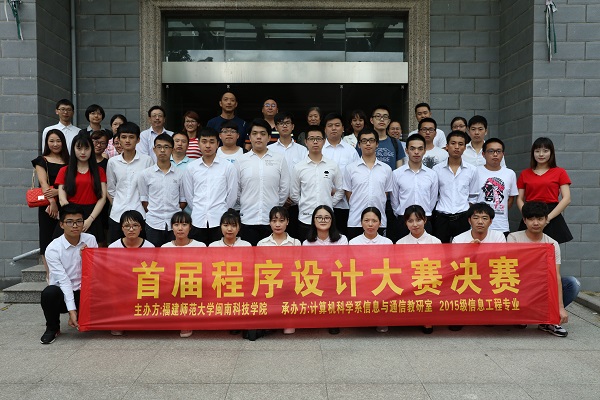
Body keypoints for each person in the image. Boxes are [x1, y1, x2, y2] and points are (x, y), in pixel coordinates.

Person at [507, 202, 580, 337]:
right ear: (524, 220)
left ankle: (547, 320)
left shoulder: (552, 243)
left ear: (546, 220)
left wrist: (560, 307)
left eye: (540, 219)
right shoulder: (514, 238)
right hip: (521, 285)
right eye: (531, 219)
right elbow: (513, 269)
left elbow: (555, 275)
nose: (536, 223)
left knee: (572, 284)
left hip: (542, 286)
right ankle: (522, 315)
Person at [40, 204, 98, 344]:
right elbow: (64, 281)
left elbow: (96, 271)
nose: (75, 226)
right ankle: (52, 328)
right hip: (63, 294)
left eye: (79, 221)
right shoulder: (53, 248)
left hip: (85, 292)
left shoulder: (90, 240)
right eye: (70, 222)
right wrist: (72, 310)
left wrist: (86, 258)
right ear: (61, 224)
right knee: (49, 293)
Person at [236, 118, 289, 245]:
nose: (258, 137)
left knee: (270, 256)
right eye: (254, 133)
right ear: (249, 137)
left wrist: (275, 206)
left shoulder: (279, 159)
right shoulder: (241, 161)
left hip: (271, 221)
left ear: (269, 137)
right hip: (247, 219)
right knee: (249, 256)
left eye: (263, 133)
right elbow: (236, 190)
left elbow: (284, 188)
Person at [183, 127, 238, 245]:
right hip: (198, 220)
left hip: (220, 220)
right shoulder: (191, 167)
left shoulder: (227, 167)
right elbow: (189, 195)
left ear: (218, 144)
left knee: (218, 254)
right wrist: (198, 208)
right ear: (198, 143)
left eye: (212, 142)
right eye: (204, 141)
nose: (208, 145)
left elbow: (232, 195)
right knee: (198, 254)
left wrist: (223, 210)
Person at [290, 125, 344, 241]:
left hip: (327, 219)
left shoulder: (332, 165)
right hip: (305, 218)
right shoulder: (299, 167)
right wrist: (303, 204)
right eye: (311, 139)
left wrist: (330, 204)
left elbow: (340, 189)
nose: (315, 142)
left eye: (318, 139)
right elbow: (294, 193)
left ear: (324, 141)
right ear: (306, 142)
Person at [516, 137, 572, 243]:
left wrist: (547, 218)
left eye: (545, 151)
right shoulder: (525, 173)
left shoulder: (560, 172)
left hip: (551, 214)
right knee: (527, 249)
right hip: (530, 213)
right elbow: (519, 198)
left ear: (551, 153)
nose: (541, 154)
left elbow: (567, 198)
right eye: (537, 151)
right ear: (533, 153)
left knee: (550, 249)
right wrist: (527, 216)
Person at [55, 132, 107, 244]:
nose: (83, 152)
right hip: (70, 214)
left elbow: (102, 198)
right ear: (73, 149)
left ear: (91, 150)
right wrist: (74, 219)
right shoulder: (64, 171)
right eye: (79, 148)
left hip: (93, 215)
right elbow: (62, 199)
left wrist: (90, 219)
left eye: (86, 148)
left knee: (94, 249)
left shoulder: (99, 171)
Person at [303, 205, 347, 335]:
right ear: (313, 220)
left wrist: (327, 268)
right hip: (315, 279)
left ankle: (333, 319)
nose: (323, 220)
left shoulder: (341, 239)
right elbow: (307, 265)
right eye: (319, 217)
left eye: (327, 217)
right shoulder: (307, 243)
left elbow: (342, 262)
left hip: (334, 278)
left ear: (332, 220)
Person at [106, 122, 153, 244]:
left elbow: (151, 188)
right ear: (118, 139)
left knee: (140, 251)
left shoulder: (147, 161)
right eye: (124, 137)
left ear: (138, 140)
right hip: (117, 215)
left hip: (140, 215)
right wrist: (117, 203)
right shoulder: (112, 162)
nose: (127, 140)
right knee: (117, 250)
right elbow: (111, 188)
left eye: (131, 137)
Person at [32, 129, 70, 281]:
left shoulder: (69, 161)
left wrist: (59, 193)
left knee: (64, 236)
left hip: (66, 203)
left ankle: (65, 271)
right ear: (46, 143)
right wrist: (53, 201)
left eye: (58, 141)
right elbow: (43, 183)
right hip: (48, 205)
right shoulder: (42, 160)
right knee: (47, 237)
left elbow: (71, 183)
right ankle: (50, 274)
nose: (55, 144)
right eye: (51, 141)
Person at [161, 211, 205, 338]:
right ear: (172, 227)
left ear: (190, 227)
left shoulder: (200, 246)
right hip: (171, 284)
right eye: (176, 225)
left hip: (194, 284)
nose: (180, 228)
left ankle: (186, 321)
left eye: (184, 224)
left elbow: (205, 269)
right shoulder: (165, 248)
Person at [344, 128, 393, 240]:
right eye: (364, 141)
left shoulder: (386, 169)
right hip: (356, 221)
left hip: (379, 222)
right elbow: (348, 194)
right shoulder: (350, 168)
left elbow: (385, 194)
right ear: (359, 144)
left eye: (371, 140)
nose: (368, 144)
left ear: (377, 144)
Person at [138, 134, 187, 247]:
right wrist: (154, 212)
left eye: (166, 147)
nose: (162, 150)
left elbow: (183, 200)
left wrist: (174, 212)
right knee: (154, 255)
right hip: (153, 223)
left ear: (172, 149)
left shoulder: (180, 174)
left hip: (174, 223)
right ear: (154, 149)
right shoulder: (145, 174)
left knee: (173, 254)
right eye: (159, 147)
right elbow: (144, 199)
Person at [349, 207, 393, 333]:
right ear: (361, 222)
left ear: (380, 223)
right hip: (360, 280)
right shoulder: (353, 242)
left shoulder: (387, 242)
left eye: (374, 221)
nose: (370, 224)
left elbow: (390, 265)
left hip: (381, 280)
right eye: (366, 220)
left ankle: (380, 319)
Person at [432, 131, 479, 243]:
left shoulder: (472, 170)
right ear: (447, 146)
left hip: (463, 217)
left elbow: (473, 196)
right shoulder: (436, 169)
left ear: (465, 148)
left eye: (460, 144)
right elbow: (434, 195)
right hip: (441, 217)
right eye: (453, 143)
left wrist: (467, 212)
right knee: (440, 250)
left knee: (462, 250)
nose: (457, 147)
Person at [268, 111, 308, 238]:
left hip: (297, 203)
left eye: (287, 123)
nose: (284, 126)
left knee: (296, 238)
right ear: (276, 127)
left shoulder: (302, 150)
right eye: (281, 123)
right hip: (275, 202)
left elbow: (305, 175)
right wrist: (282, 198)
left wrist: (293, 196)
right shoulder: (269, 150)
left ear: (293, 126)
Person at [390, 134, 438, 238]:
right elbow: (394, 200)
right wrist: (400, 212)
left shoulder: (432, 174)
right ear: (406, 151)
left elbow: (433, 200)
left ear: (424, 151)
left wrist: (424, 215)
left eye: (420, 149)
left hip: (424, 220)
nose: (416, 152)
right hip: (403, 220)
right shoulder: (397, 174)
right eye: (412, 149)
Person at [322, 112, 360, 235]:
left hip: (345, 205)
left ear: (343, 128)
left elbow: (356, 177)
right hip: (322, 203)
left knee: (343, 238)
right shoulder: (318, 150)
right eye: (330, 125)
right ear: (325, 129)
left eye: (337, 125)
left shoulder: (351, 151)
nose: (334, 128)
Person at [476, 138, 518, 235]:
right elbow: (471, 198)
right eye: (491, 151)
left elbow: (511, 199)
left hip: (501, 226)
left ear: (503, 154)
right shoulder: (475, 172)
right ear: (483, 154)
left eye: (498, 151)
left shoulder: (510, 173)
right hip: (479, 225)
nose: (495, 154)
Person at [90, 130, 112, 247]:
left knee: (102, 235)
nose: (98, 145)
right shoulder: (83, 162)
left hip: (104, 203)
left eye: (102, 143)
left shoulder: (109, 163)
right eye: (95, 142)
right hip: (87, 201)